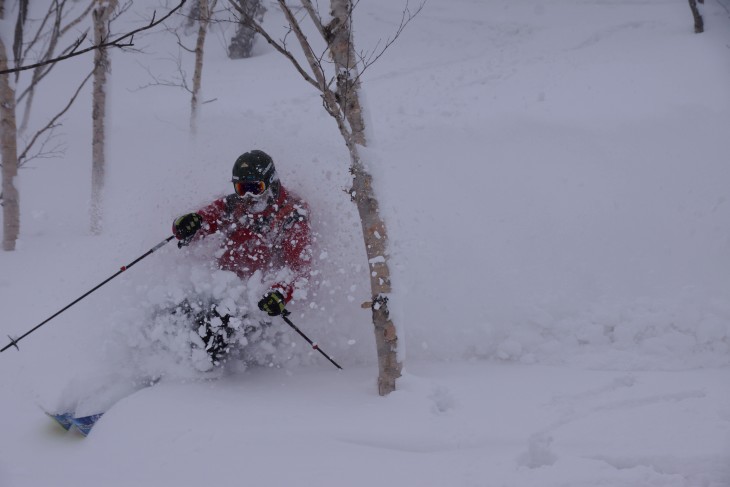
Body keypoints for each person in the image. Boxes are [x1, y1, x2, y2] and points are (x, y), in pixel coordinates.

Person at [171, 150, 312, 364]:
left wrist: (280, 293)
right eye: (241, 189)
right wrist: (187, 225)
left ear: (271, 182)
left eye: (255, 188)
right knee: (178, 309)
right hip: (222, 287)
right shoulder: (233, 205)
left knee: (215, 327)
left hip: (257, 300)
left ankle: (198, 377)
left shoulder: (291, 216)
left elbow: (299, 269)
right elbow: (205, 220)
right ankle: (163, 361)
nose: (247, 197)